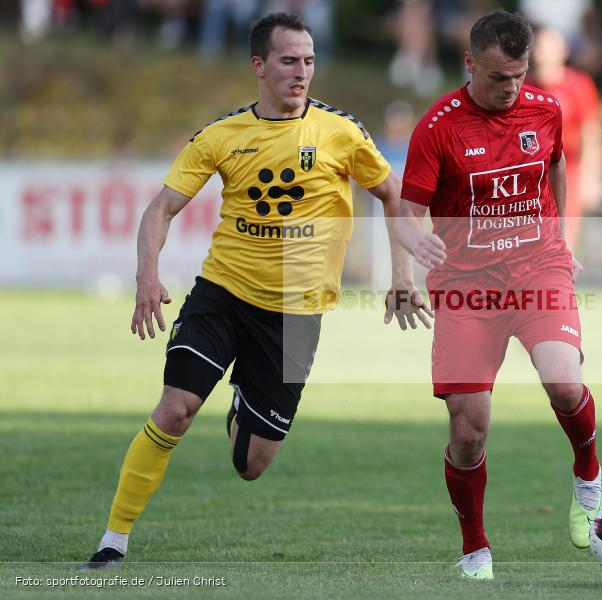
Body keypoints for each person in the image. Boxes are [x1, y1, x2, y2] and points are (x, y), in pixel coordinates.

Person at [80, 12, 427, 570]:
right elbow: (160, 208)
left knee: (252, 464)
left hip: (295, 316)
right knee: (175, 409)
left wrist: (403, 277)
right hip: (223, 294)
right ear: (259, 66)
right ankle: (112, 542)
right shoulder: (222, 135)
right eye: (290, 61)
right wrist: (148, 274)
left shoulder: (340, 132)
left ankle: (243, 400)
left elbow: (394, 194)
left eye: (310, 61)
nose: (302, 72)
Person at [391, 9, 602, 580]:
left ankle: (587, 472)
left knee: (564, 380)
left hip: (537, 269)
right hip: (466, 286)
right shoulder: (438, 126)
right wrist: (413, 256)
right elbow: (407, 213)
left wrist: (558, 236)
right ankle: (475, 547)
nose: (510, 89)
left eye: (518, 75)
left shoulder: (547, 107)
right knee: (468, 428)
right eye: (496, 78)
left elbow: (555, 165)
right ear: (469, 64)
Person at [528, 25, 602, 251]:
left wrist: (592, 178)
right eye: (539, 46)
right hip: (531, 174)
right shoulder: (524, 85)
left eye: (548, 46)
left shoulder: (579, 85)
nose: (542, 52)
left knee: (563, 239)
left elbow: (591, 134)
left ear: (564, 51)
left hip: (567, 172)